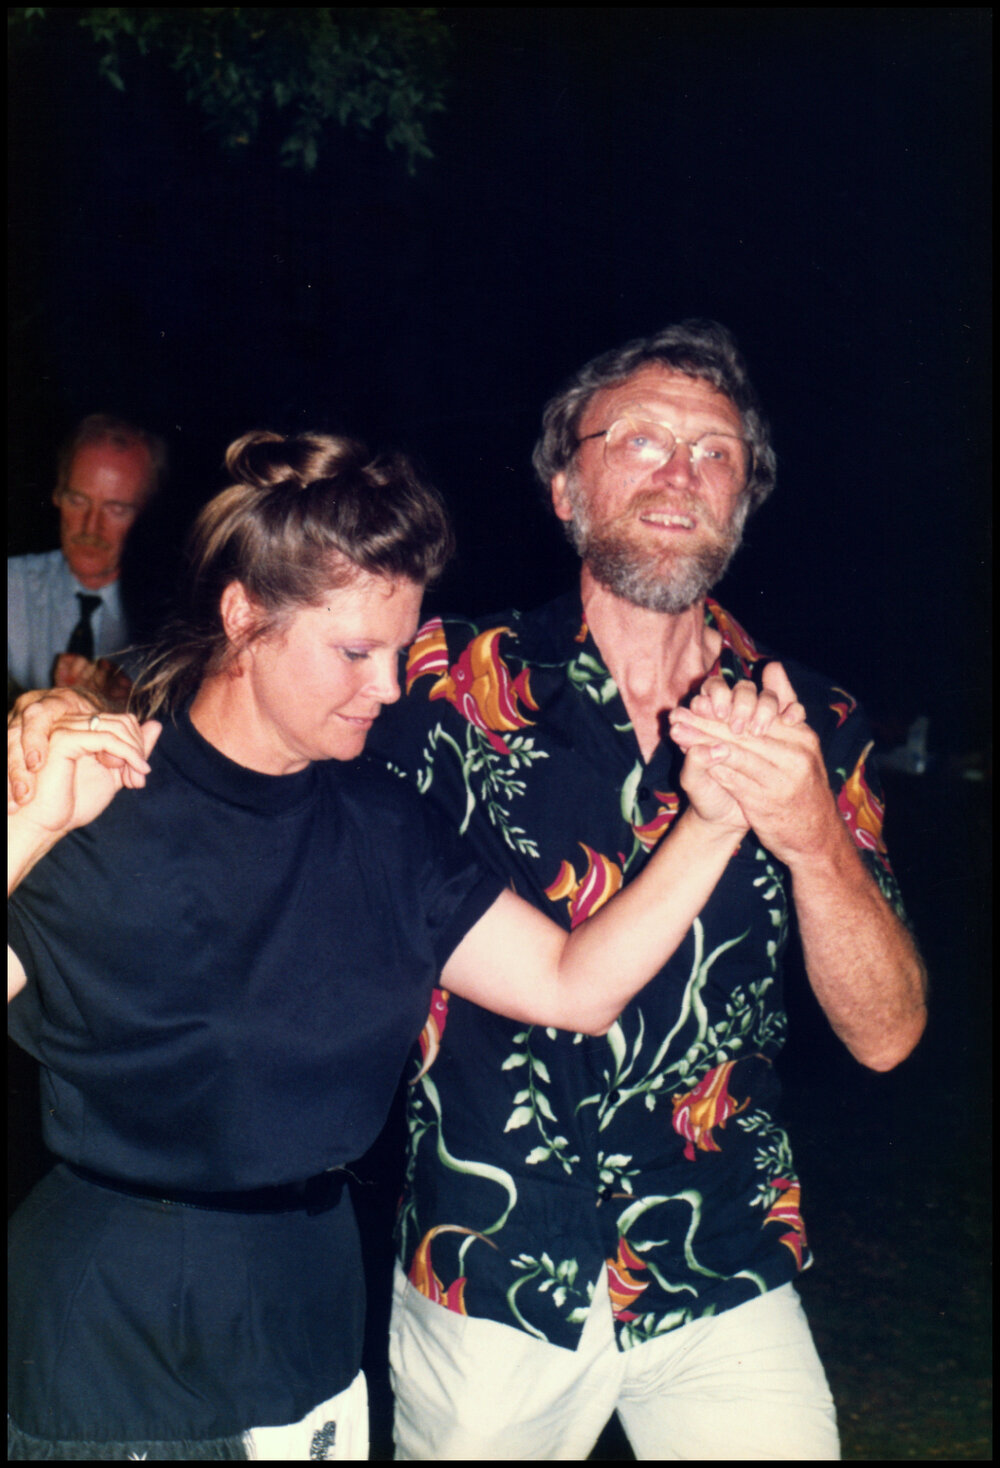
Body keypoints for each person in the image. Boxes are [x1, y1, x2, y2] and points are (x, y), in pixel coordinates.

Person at [6, 428, 780, 1461]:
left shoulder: (383, 824)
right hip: (125, 1347)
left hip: (315, 1327)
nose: (386, 687)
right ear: (245, 617)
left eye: (397, 650)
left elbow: (571, 983)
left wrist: (715, 822)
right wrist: (28, 829)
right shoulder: (99, 800)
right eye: (352, 652)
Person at [356, 320, 926, 1461]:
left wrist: (814, 838)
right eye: (641, 440)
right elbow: (259, 732)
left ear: (743, 505)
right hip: (489, 1269)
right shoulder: (437, 684)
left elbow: (887, 1035)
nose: (681, 473)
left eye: (715, 453)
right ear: (565, 485)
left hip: (722, 1260)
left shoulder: (815, 722)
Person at [7, 413, 167, 709]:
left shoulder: (172, 616)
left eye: (116, 509)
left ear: (146, 513)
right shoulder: (12, 586)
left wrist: (130, 704)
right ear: (56, 494)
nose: (90, 528)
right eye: (77, 501)